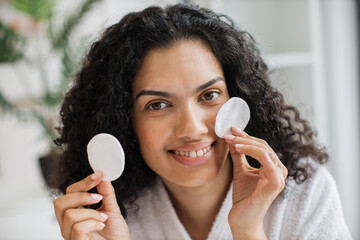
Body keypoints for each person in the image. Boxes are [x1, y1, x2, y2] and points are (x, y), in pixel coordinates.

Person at [52, 3, 352, 240]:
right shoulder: (107, 218)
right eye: (158, 104)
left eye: (209, 95)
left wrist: (248, 232)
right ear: (123, 120)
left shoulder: (305, 193)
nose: (193, 128)